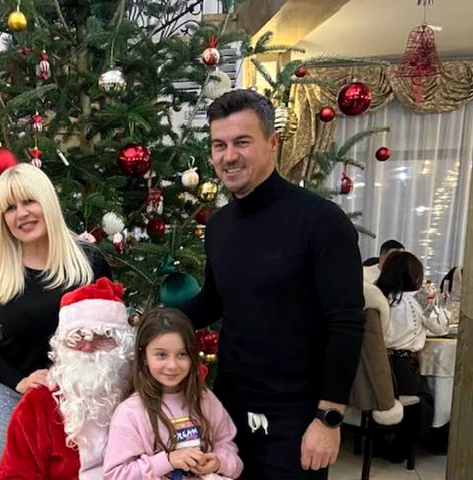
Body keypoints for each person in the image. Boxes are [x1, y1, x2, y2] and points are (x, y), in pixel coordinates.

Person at [180, 89, 364, 480]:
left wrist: (329, 418)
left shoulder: (321, 222)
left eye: (242, 142)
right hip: (228, 412)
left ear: (273, 142)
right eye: (219, 145)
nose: (229, 156)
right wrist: (147, 323)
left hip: (297, 420)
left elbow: (346, 323)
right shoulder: (219, 226)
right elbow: (213, 301)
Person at [0, 163, 112, 469]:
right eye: (10, 208)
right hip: (13, 398)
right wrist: (19, 382)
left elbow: (112, 335)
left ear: (47, 201)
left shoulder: (89, 262)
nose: (21, 214)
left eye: (29, 201)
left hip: (81, 401)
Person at [0, 277, 135, 479]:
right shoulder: (39, 402)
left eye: (102, 337)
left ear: (122, 345)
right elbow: (15, 474)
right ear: (61, 345)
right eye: (77, 338)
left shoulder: (140, 392)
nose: (87, 347)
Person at [103, 308, 243, 480]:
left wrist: (219, 462)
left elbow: (228, 447)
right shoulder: (130, 412)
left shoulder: (205, 399)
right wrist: (168, 461)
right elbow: (116, 475)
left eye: (182, 354)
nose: (172, 365)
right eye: (161, 355)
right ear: (144, 356)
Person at [375, 251, 449, 460]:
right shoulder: (419, 298)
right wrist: (438, 307)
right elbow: (440, 327)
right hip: (403, 369)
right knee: (428, 396)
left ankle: (381, 440)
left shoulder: (379, 297)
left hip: (378, 369)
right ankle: (408, 445)